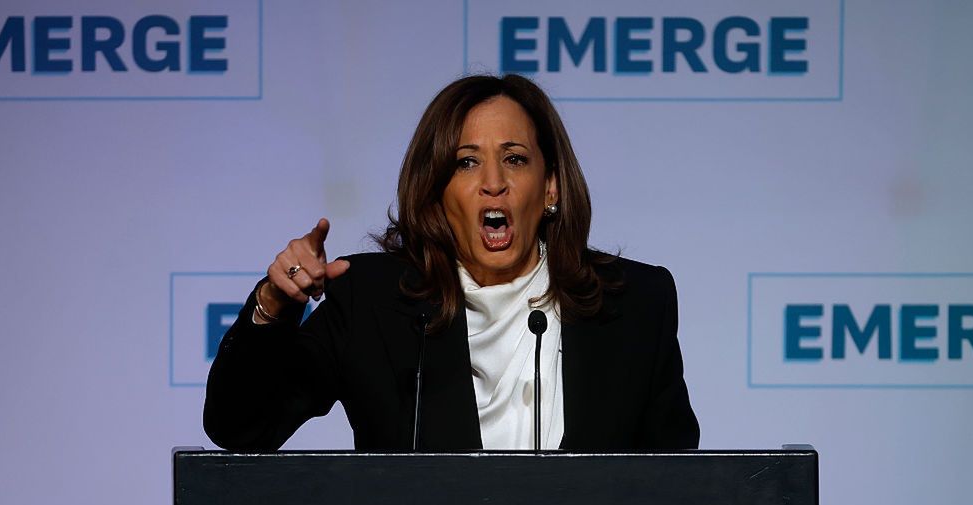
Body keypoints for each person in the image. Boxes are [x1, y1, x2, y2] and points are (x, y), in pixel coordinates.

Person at [204, 74, 699, 452]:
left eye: (515, 158)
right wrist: (273, 305)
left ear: (550, 188)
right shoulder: (371, 303)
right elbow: (240, 427)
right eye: (466, 162)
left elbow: (677, 494)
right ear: (438, 194)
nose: (492, 182)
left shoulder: (634, 304)